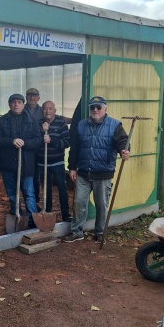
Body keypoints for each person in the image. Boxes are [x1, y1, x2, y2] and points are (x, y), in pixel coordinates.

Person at [65, 96, 130, 244]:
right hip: (83, 172)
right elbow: (74, 148)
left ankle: (99, 232)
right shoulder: (81, 125)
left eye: (98, 107)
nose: (95, 110)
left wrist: (124, 151)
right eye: (92, 107)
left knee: (101, 205)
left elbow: (123, 141)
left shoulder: (114, 125)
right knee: (79, 202)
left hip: (103, 173)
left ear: (105, 109)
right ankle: (76, 232)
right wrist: (72, 168)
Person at [0, 93, 43, 229]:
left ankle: (33, 220)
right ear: (9, 104)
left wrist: (25, 143)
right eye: (13, 102)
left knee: (29, 194)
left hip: (26, 166)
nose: (16, 105)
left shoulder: (31, 121)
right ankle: (17, 217)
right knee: (12, 195)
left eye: (19, 102)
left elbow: (38, 140)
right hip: (8, 165)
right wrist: (11, 141)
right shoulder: (2, 121)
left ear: (23, 104)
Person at [36, 101, 72, 222]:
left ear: (55, 111)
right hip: (42, 162)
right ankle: (47, 212)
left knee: (62, 187)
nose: (48, 111)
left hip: (57, 162)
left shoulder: (61, 123)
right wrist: (41, 131)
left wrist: (51, 140)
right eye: (45, 109)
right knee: (46, 188)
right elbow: (34, 142)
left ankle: (66, 214)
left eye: (50, 108)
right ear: (42, 111)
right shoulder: (38, 123)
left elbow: (67, 142)